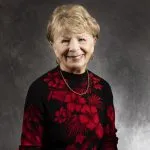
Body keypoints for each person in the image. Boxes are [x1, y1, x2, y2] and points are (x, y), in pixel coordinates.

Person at [19, 4, 118, 150]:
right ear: (53, 45)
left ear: (94, 41)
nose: (73, 47)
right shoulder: (39, 90)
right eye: (65, 40)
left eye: (81, 39)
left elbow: (109, 142)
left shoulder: (103, 88)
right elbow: (29, 147)